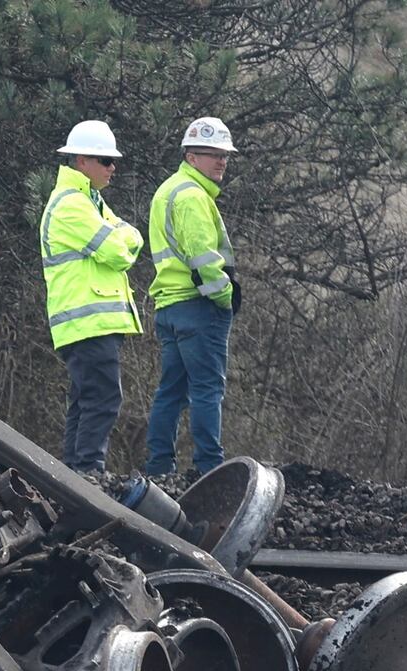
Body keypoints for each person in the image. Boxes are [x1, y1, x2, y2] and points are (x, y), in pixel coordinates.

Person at [39, 120, 145, 475]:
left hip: (90, 324)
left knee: (85, 403)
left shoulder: (89, 201)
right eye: (105, 160)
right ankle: (87, 472)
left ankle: (75, 475)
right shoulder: (72, 205)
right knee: (103, 400)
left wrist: (121, 235)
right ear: (82, 161)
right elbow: (120, 250)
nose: (112, 167)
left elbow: (132, 235)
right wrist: (119, 236)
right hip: (88, 323)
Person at [140, 116, 240, 477]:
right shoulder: (193, 197)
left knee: (171, 391)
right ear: (190, 156)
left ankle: (158, 468)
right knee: (207, 390)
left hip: (169, 306)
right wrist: (226, 297)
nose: (221, 161)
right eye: (211, 154)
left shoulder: (168, 190)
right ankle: (209, 468)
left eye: (225, 155)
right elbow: (204, 261)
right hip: (198, 307)